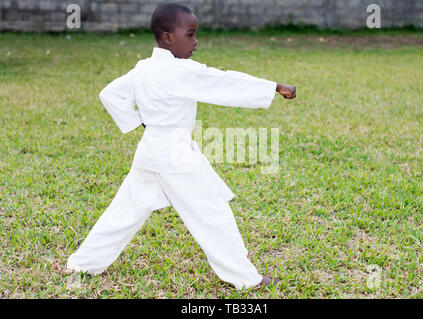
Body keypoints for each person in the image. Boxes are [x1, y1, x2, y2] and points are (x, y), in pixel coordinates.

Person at [67, 3, 296, 290]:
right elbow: (222, 81)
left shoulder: (143, 68)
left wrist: (138, 122)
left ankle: (82, 263)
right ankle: (246, 278)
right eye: (189, 34)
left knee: (123, 213)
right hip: (175, 157)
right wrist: (273, 87)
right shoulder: (180, 71)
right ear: (167, 37)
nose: (196, 41)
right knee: (212, 213)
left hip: (150, 152)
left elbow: (109, 94)